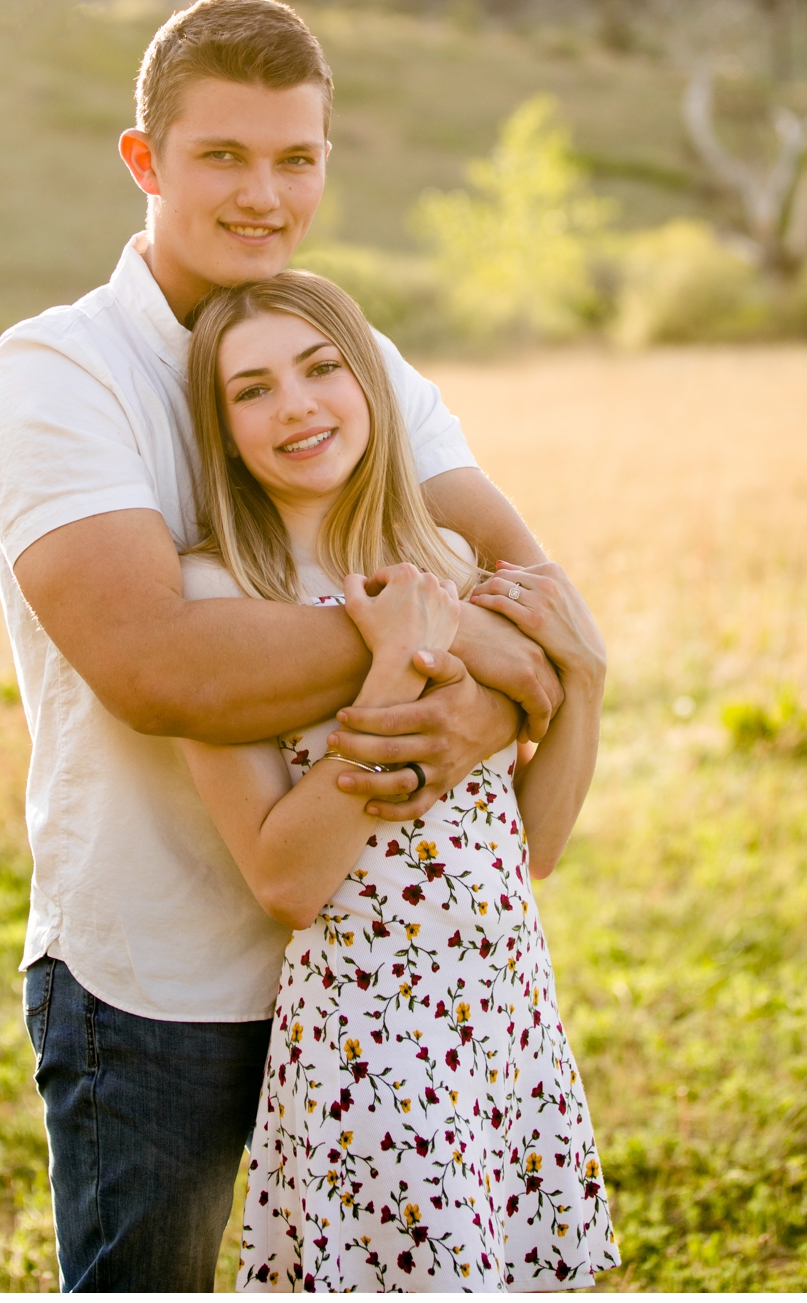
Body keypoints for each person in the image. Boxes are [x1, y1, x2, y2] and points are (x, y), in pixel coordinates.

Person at [0, 0, 593, 1290]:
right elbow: (158, 666)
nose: (265, 193)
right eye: (223, 155)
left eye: (296, 157)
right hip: (163, 981)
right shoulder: (58, 374)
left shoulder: (345, 355)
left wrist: (480, 674)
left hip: (387, 985)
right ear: (145, 162)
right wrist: (426, 637)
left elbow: (531, 599)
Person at [174, 271, 616, 1291]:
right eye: (253, 389)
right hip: (376, 1040)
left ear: (369, 380)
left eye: (322, 367)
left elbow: (531, 848)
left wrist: (583, 681)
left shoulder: (445, 556)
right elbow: (286, 882)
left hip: (505, 1015)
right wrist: (386, 665)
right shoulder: (217, 590)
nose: (297, 405)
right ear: (222, 426)